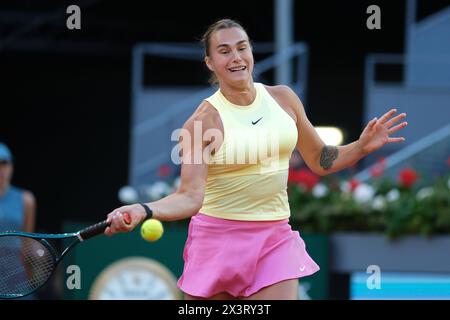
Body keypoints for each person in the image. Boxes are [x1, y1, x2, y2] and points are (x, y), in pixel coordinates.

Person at [104, 19, 408, 300]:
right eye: (224, 51)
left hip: (274, 238)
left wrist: (362, 146)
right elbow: (189, 197)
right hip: (216, 242)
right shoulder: (202, 123)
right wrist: (144, 209)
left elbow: (320, 159)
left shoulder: (284, 99)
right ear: (210, 62)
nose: (236, 57)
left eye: (242, 47)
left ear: (250, 51)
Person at [0, 143, 36, 233]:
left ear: (11, 167)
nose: (1, 170)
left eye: (4, 164)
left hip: (15, 247)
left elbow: (28, 240)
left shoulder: (27, 199)